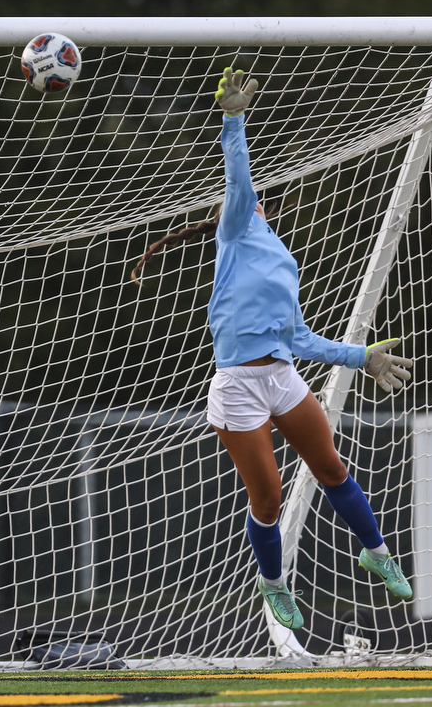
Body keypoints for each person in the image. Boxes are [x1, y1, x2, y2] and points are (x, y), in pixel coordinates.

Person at [133, 68, 414, 631]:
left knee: (332, 466)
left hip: (282, 376)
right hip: (237, 386)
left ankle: (376, 551)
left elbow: (300, 340)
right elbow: (238, 177)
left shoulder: (281, 257)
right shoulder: (234, 230)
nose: (251, 201)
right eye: (245, 200)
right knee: (269, 497)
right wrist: (232, 119)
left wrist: (365, 357)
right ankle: (273, 584)